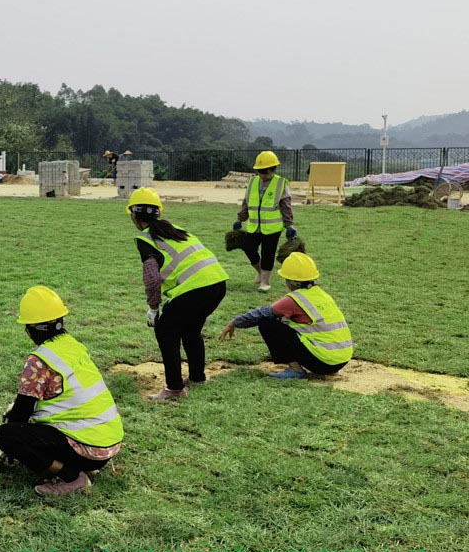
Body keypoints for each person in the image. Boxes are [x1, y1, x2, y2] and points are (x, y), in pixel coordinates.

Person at [0, 286, 123, 497]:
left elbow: (21, 414)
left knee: (8, 435)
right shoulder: (73, 346)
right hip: (108, 443)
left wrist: (11, 445)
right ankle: (83, 463)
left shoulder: (39, 361)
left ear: (29, 329)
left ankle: (73, 476)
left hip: (87, 448)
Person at [127, 188, 228, 401]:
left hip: (196, 288)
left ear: (134, 215)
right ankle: (197, 377)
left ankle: (174, 388)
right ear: (158, 213)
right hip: (218, 283)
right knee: (191, 330)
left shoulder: (145, 238)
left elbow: (152, 278)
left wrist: (154, 308)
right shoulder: (176, 229)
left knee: (165, 330)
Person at [218, 252, 353, 379]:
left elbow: (261, 314)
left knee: (267, 322)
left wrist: (234, 322)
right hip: (342, 359)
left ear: (291, 281)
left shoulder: (294, 299)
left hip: (323, 361)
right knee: (283, 319)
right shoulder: (322, 294)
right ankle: (328, 369)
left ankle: (295, 370)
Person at [234, 150, 296, 291]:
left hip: (273, 228)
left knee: (268, 253)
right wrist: (240, 219)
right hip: (254, 226)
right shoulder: (253, 182)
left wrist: (289, 225)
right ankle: (260, 272)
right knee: (248, 248)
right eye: (259, 171)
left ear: (272, 169)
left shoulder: (281, 183)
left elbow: (286, 206)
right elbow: (247, 202)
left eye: (264, 171)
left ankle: (265, 282)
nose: (261, 174)